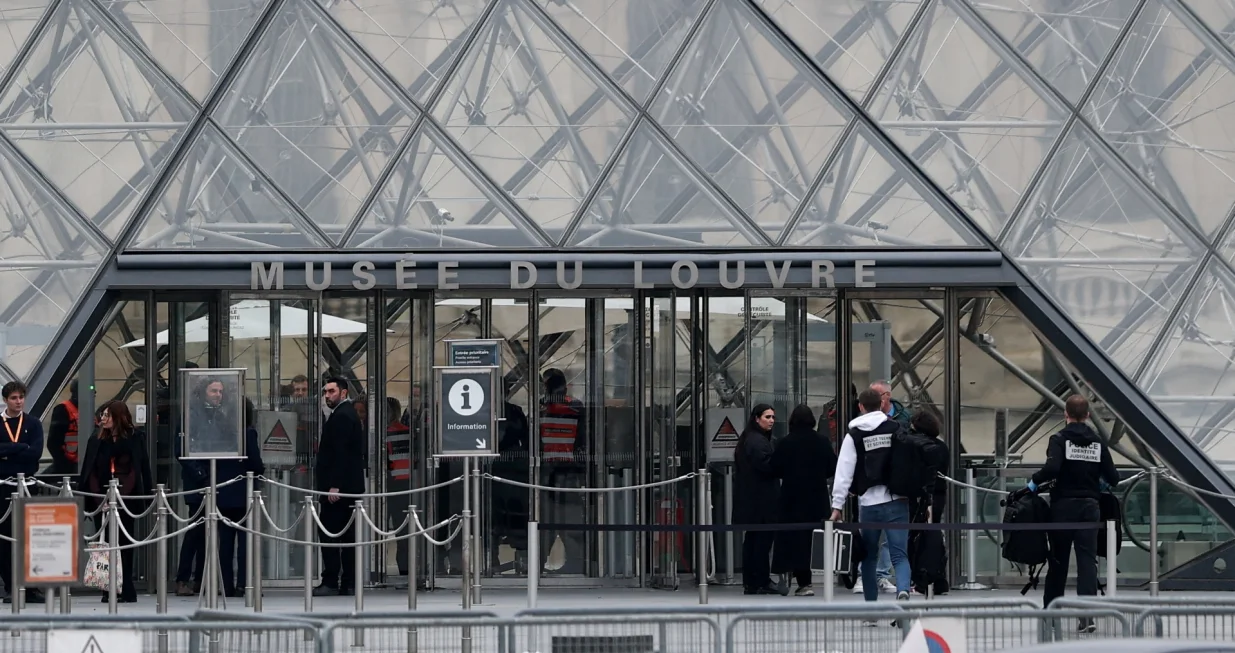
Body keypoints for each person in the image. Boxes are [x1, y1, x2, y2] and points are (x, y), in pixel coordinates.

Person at [1030, 395, 1119, 629]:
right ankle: (1087, 618)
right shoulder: (1098, 442)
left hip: (1063, 507)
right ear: (1088, 415)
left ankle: (1051, 614)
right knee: (1087, 563)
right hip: (1090, 508)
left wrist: (1033, 482)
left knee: (1058, 560)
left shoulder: (1059, 439)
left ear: (1065, 415)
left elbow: (1052, 468)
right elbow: (1114, 478)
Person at [830, 389, 912, 609]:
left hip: (869, 503)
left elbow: (844, 471)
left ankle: (871, 608)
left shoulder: (854, 435)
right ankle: (903, 590)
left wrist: (837, 505)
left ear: (860, 406)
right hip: (897, 500)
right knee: (900, 555)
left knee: (869, 557)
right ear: (883, 404)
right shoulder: (897, 428)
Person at [79, 401, 153, 604]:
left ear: (118, 417)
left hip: (125, 500)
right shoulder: (96, 439)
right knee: (105, 543)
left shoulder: (135, 438)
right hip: (101, 498)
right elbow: (91, 471)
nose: (103, 419)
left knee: (124, 544)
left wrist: (120, 497)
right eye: (102, 415)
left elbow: (136, 471)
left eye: (107, 415)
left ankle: (124, 587)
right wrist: (98, 498)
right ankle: (107, 587)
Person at [771, 405, 836, 596]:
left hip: (791, 496)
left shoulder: (785, 442)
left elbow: (774, 468)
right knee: (814, 538)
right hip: (817, 496)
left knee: (793, 537)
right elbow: (833, 467)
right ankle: (814, 578)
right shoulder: (822, 441)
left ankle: (799, 579)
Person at [314, 378, 366, 596]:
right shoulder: (342, 415)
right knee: (345, 536)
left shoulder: (343, 416)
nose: (327, 395)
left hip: (340, 490)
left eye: (332, 391)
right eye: (326, 392)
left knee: (331, 534)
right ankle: (348, 581)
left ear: (343, 393)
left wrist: (335, 486)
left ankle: (333, 580)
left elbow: (341, 453)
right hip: (346, 488)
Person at [0, 382, 44, 604]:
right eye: (14, 398)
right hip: (3, 487)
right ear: (6, 400)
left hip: (27, 484)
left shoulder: (33, 424)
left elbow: (35, 453)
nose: (18, 402)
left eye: (21, 397)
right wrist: (20, 448)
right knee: (5, 538)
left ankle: (33, 587)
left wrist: (9, 451)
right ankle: (10, 585)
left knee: (30, 537)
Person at [734, 404, 784, 596]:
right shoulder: (757, 441)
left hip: (753, 500)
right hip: (761, 501)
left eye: (773, 417)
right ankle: (760, 580)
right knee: (761, 542)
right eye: (767, 417)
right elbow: (767, 466)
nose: (771, 420)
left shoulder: (751, 438)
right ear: (756, 418)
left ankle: (752, 581)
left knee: (754, 541)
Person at [216, 400, 265, 598]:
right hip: (243, 492)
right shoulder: (248, 433)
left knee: (225, 543)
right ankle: (244, 584)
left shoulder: (220, 431)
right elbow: (255, 462)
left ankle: (225, 585)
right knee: (245, 543)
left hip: (224, 491)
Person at [46, 379, 87, 476]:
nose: (94, 394)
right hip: (68, 465)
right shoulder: (62, 410)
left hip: (85, 463)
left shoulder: (89, 410)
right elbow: (53, 443)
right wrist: (64, 465)